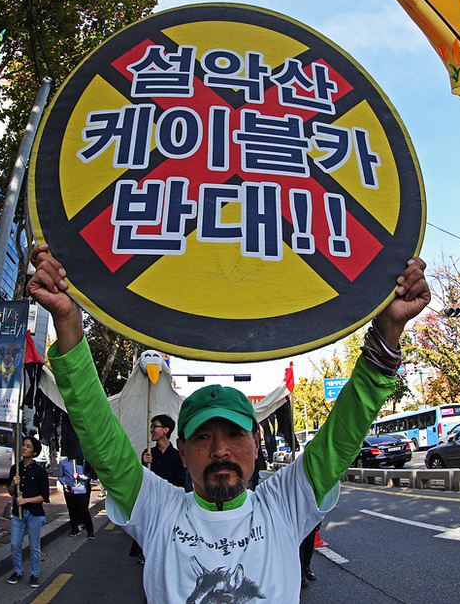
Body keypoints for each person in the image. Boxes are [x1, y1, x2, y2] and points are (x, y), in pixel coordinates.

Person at [27, 244, 429, 603]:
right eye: (203, 436)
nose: (220, 450)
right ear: (182, 451)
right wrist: (67, 324)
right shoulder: (158, 509)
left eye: (235, 434)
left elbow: (342, 436)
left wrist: (389, 331)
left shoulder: (284, 505)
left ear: (256, 441)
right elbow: (103, 439)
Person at [129, 414, 189, 563]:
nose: (151, 430)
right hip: (150, 502)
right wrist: (144, 464)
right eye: (152, 426)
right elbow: (142, 479)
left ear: (166, 430)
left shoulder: (177, 456)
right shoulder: (149, 453)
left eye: (155, 426)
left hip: (168, 503)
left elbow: (182, 483)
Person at [8, 436, 51, 589]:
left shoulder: (40, 472)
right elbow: (10, 491)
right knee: (14, 543)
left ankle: (34, 574)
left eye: (28, 446)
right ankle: (18, 571)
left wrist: (25, 500)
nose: (24, 448)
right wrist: (14, 483)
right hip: (18, 514)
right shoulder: (16, 468)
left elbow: (44, 497)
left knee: (34, 545)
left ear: (34, 452)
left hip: (34, 514)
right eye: (23, 445)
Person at [57, 454, 95, 538]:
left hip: (81, 490)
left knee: (84, 510)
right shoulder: (63, 463)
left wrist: (79, 476)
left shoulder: (83, 462)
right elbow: (60, 476)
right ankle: (74, 529)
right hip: (69, 490)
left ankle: (90, 531)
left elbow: (88, 476)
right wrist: (64, 484)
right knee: (72, 510)